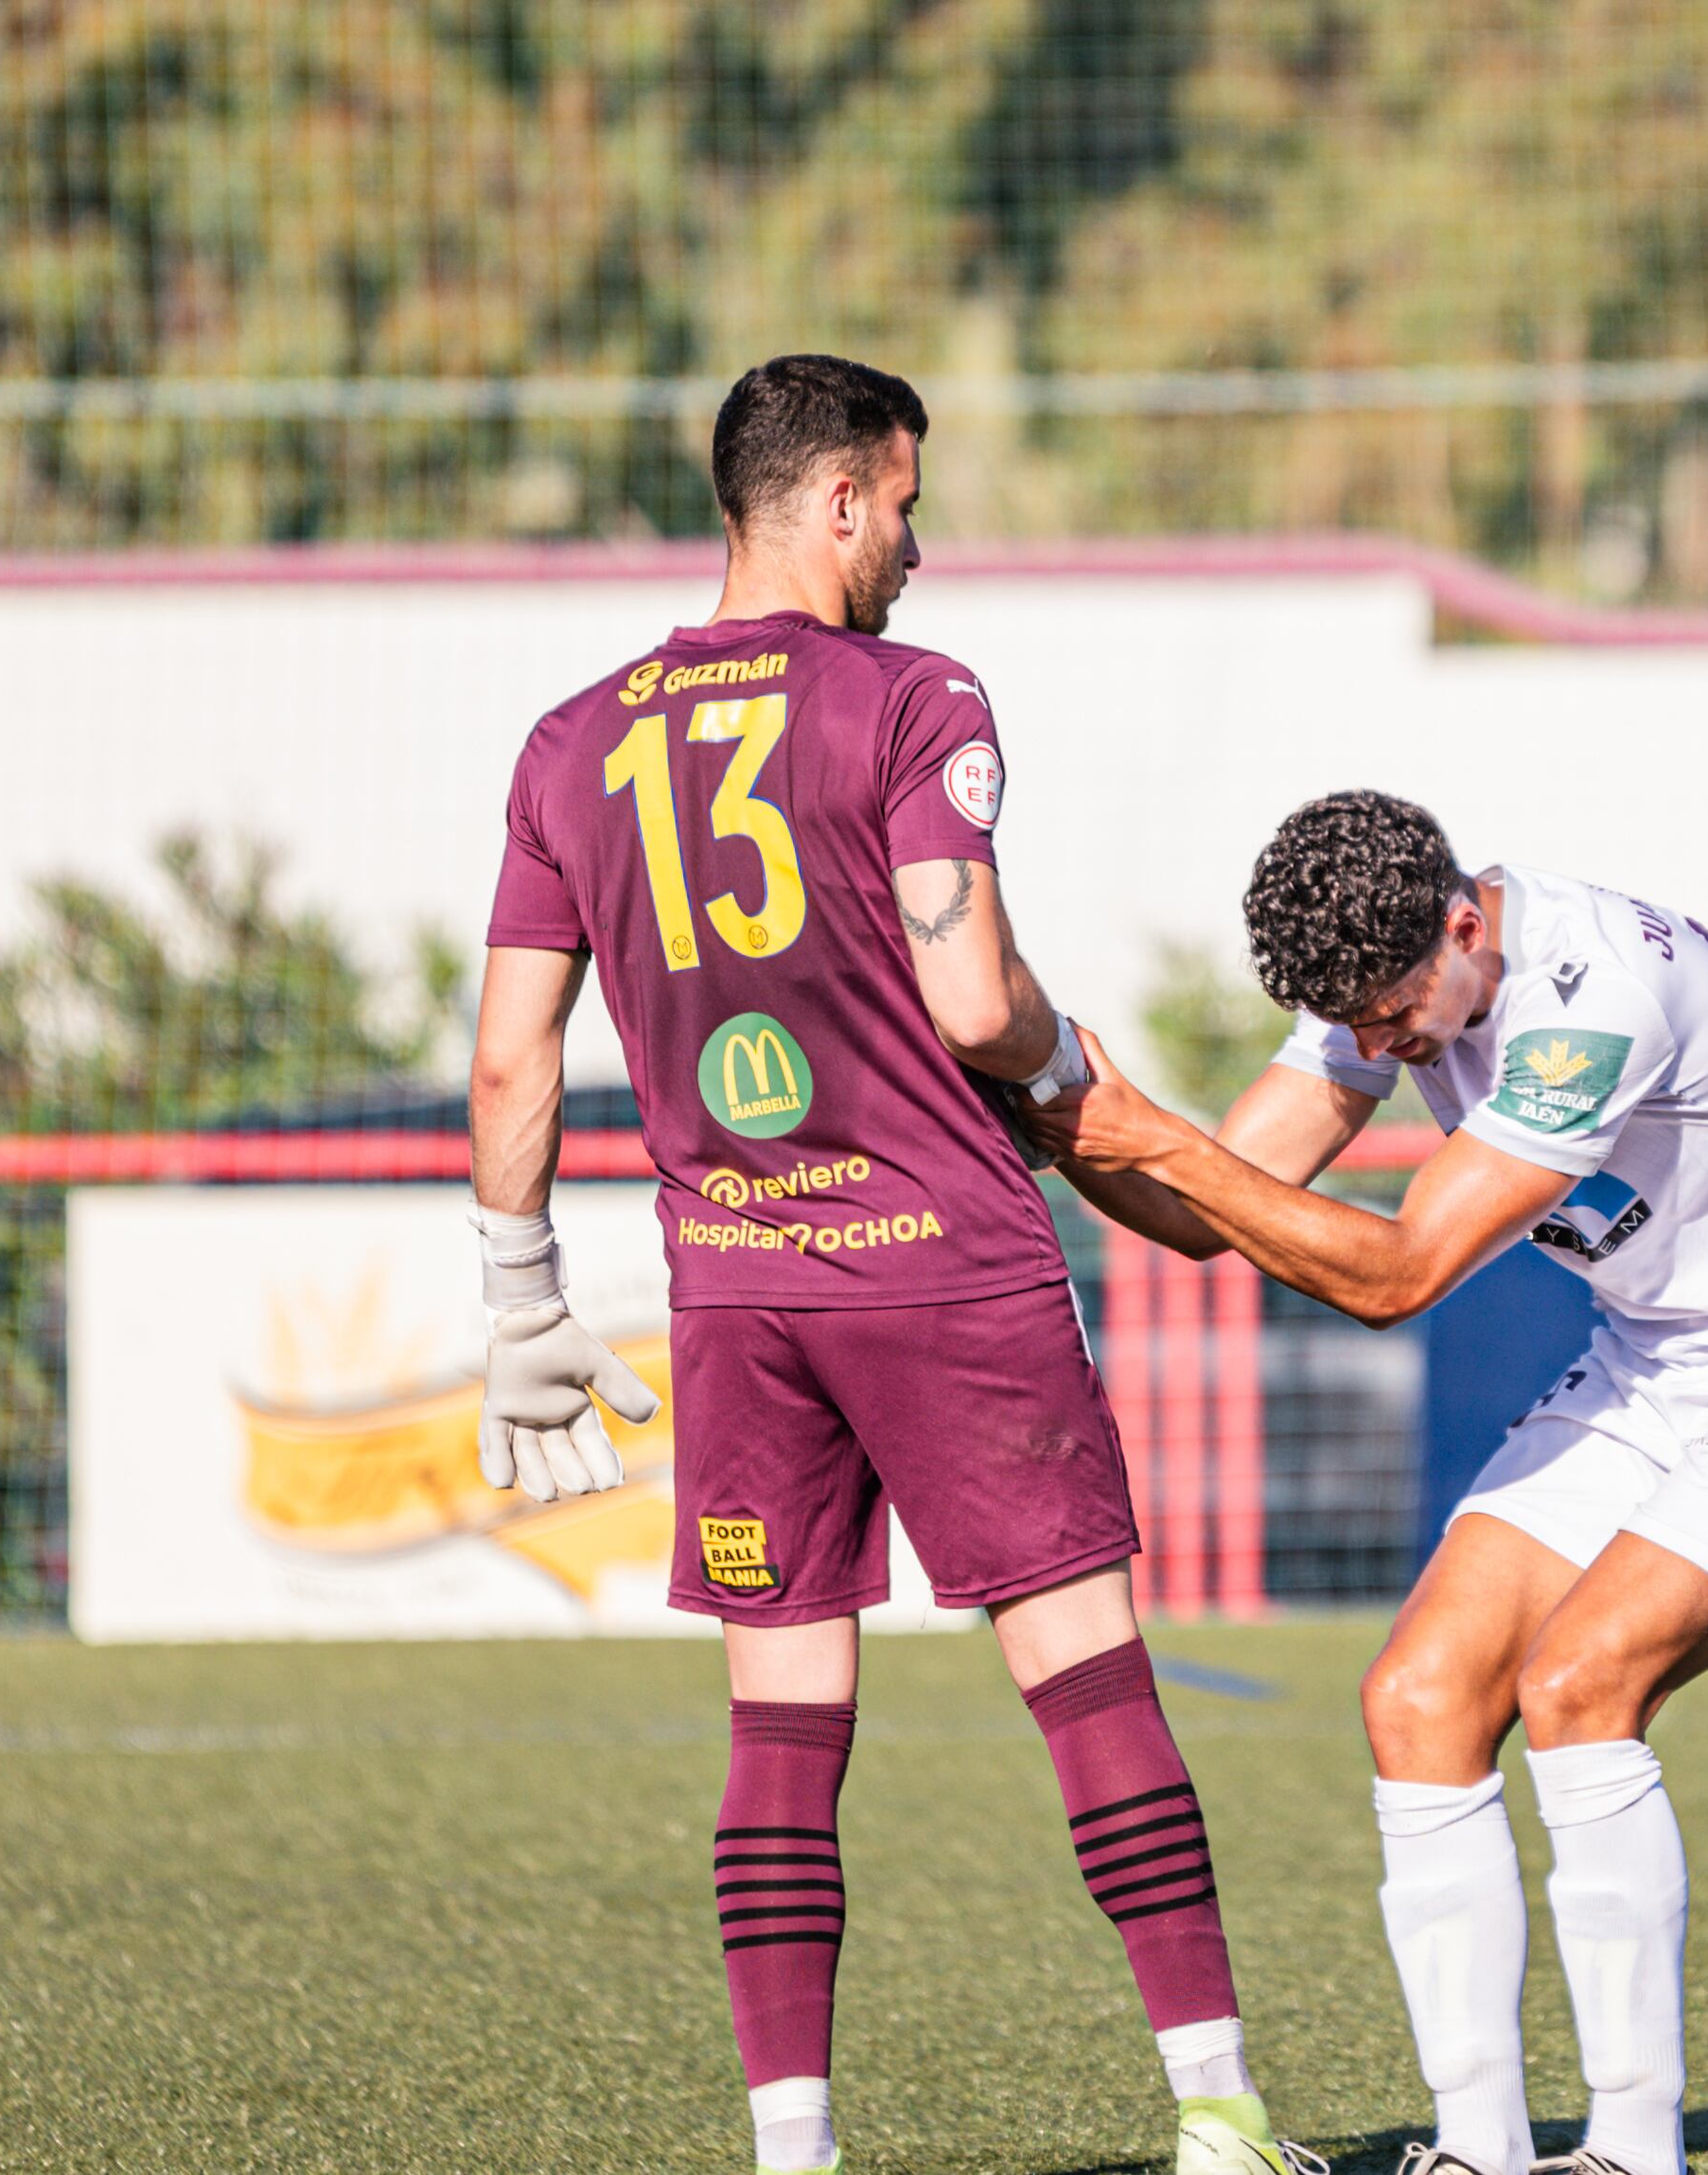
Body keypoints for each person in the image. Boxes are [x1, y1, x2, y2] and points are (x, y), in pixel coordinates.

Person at [464, 353, 1318, 2175]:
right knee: (1088, 1678)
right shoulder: (914, 696)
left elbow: (510, 1054)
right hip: (947, 1268)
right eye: (908, 502)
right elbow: (971, 996)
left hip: (742, 1290)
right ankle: (1222, 2118)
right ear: (843, 495)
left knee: (782, 1725)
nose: (918, 544)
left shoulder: (568, 742)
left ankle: (796, 2150)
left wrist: (520, 1294)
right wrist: (1074, 1065)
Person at [1039, 790, 1708, 2175]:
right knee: (1415, 1698)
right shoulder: (1388, 972)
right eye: (1347, 1024)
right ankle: (1479, 2156)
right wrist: (1055, 1102)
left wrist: (1150, 1130)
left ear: (1467, 923)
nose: (1374, 1049)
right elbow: (1204, 1210)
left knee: (1581, 1685)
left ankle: (1634, 2155)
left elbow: (1397, 1274)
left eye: (1393, 1014)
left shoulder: (1593, 996)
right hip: (1660, 1358)